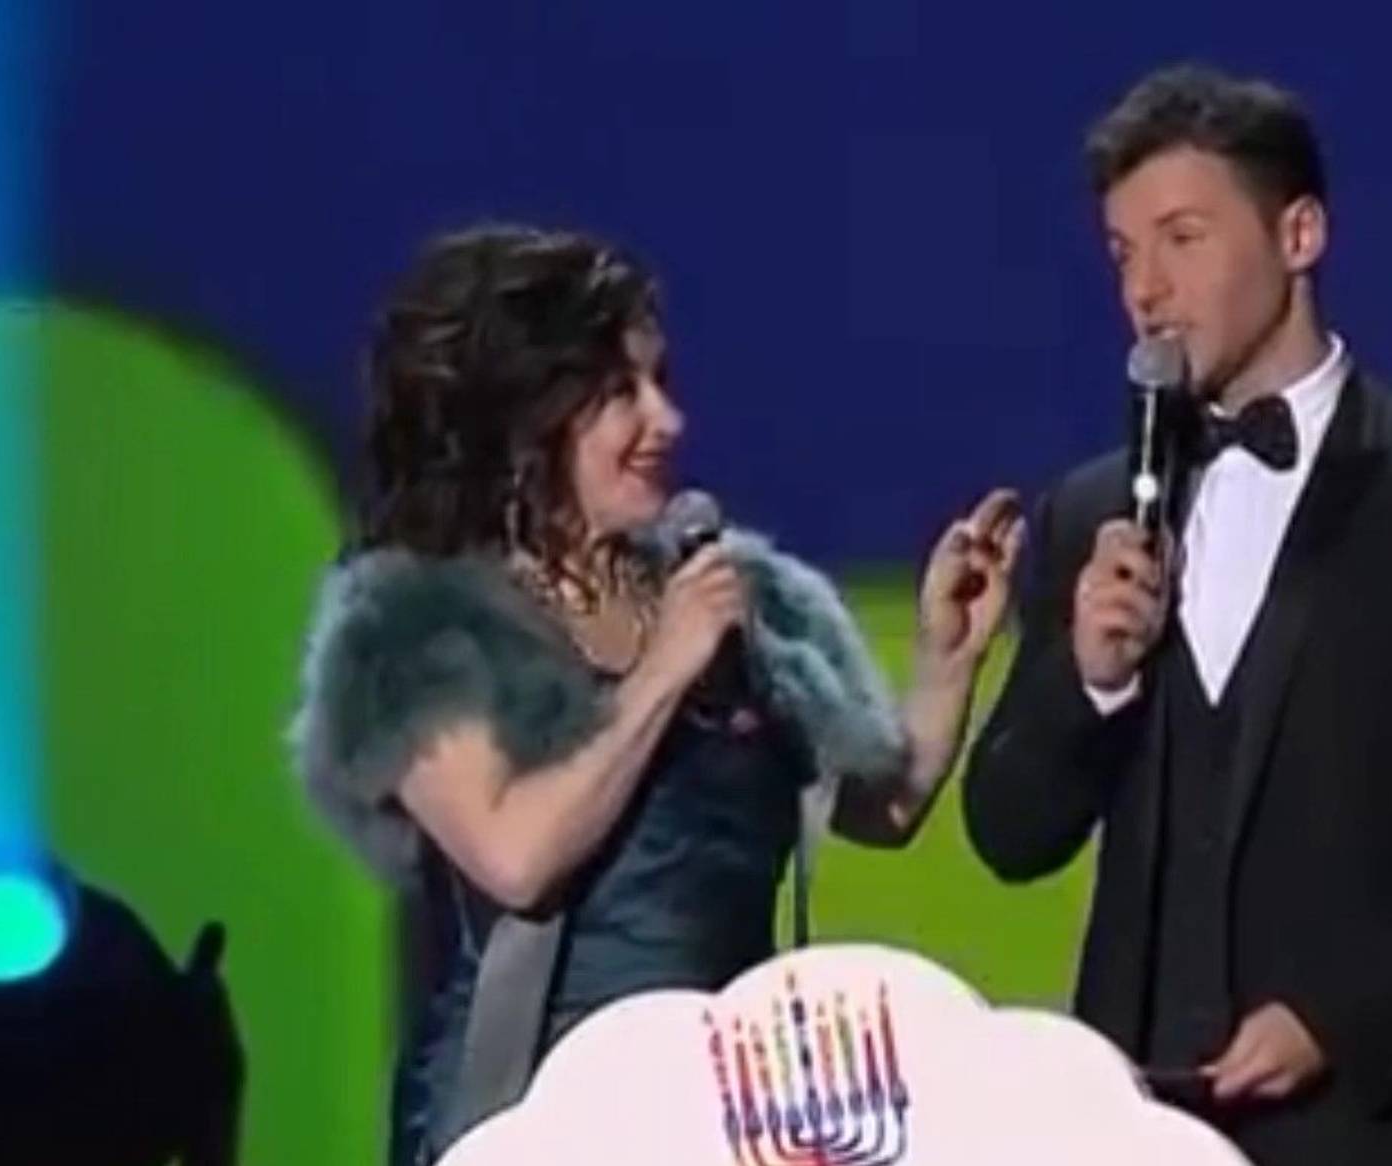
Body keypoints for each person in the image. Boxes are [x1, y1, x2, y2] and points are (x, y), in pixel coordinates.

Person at [961, 63, 1392, 1164]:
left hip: (1384, 1123)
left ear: (1298, 234)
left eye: (1182, 238)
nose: (1145, 289)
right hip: (1142, 1126)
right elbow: (1010, 832)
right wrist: (1090, 678)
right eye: (1121, 254)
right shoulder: (1091, 512)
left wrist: (1341, 1016)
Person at [288, 224, 1022, 1165]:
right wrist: (663, 669)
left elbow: (883, 807)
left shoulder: (728, 595)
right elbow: (516, 858)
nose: (666, 421)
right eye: (618, 394)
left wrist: (946, 658)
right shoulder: (419, 623)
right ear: (523, 422)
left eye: (660, 381)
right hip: (537, 1123)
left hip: (727, 1117)